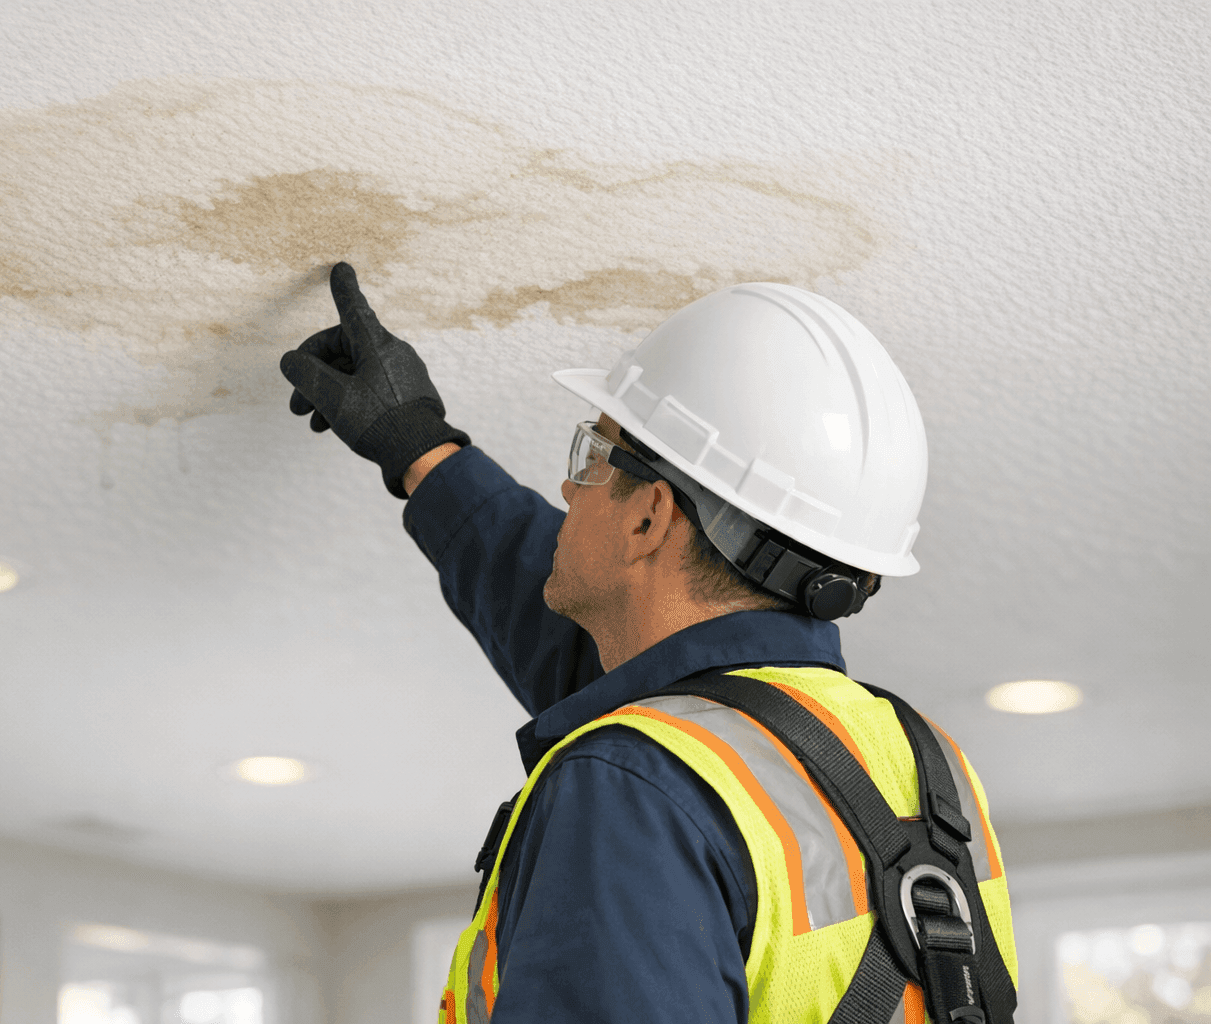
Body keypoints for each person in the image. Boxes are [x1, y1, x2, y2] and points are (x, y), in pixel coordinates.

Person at [280, 263, 1019, 1023]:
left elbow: (655, 755)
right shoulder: (923, 762)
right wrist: (419, 448)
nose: (571, 488)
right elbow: (620, 667)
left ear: (648, 519)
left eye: (592, 457)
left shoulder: (638, 785)